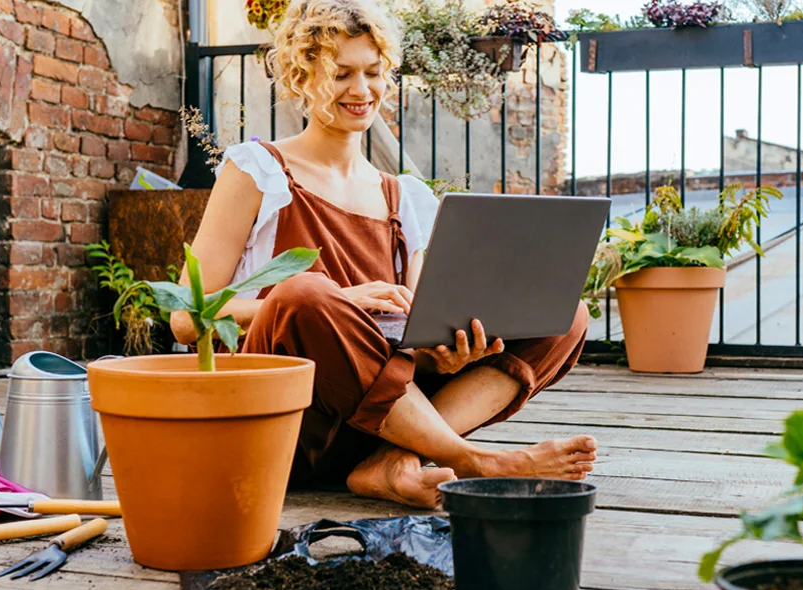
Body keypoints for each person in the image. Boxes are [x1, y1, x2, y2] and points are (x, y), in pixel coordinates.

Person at [170, 0, 595, 509]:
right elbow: (186, 316)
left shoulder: (404, 196)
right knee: (305, 293)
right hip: (290, 425)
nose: (361, 89)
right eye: (341, 73)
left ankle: (394, 460)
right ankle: (470, 459)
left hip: (378, 423)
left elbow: (412, 331)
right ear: (301, 77)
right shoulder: (256, 170)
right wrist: (341, 302)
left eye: (373, 72)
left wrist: (449, 348)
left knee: (565, 315)